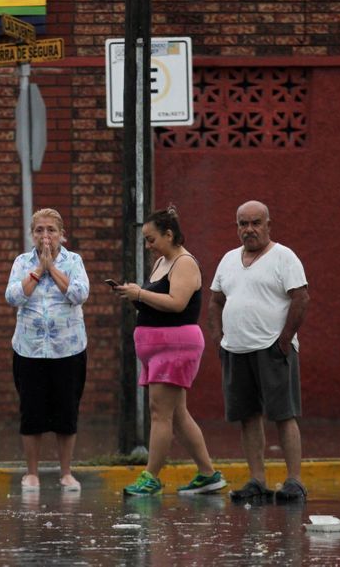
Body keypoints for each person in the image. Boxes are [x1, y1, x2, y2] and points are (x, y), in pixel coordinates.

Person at [114, 207, 227, 496]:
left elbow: (177, 303)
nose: (148, 246)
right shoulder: (161, 263)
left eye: (152, 239)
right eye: (145, 240)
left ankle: (151, 476)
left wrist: (140, 293)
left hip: (175, 345)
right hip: (157, 346)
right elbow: (155, 302)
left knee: (159, 412)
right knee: (177, 414)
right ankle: (208, 473)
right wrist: (134, 295)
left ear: (169, 234)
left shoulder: (184, 263)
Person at [208, 200, 310, 502]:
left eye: (255, 223)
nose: (249, 229)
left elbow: (301, 298)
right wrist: (218, 338)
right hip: (236, 350)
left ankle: (294, 481)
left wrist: (284, 340)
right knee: (247, 415)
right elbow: (215, 300)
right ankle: (257, 480)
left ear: (268, 225)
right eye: (243, 224)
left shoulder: (284, 257)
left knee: (284, 413)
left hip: (272, 349)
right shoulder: (228, 260)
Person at [5, 208, 89, 492]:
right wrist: (39, 269)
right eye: (39, 230)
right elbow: (13, 296)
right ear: (32, 234)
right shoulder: (21, 262)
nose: (45, 236)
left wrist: (52, 267)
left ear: (61, 233)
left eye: (51, 230)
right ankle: (32, 473)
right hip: (29, 350)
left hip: (68, 349)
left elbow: (79, 294)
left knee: (67, 411)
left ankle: (66, 473)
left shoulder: (74, 261)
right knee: (32, 412)